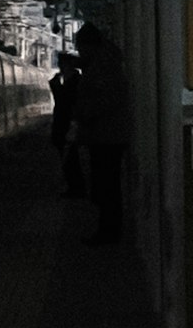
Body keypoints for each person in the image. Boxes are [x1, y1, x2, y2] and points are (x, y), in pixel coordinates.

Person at [74, 25, 134, 244]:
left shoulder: (104, 67)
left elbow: (105, 100)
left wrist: (84, 112)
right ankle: (107, 230)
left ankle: (108, 232)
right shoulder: (107, 62)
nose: (80, 53)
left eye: (81, 48)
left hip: (106, 135)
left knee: (107, 186)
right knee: (106, 185)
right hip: (108, 135)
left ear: (89, 46)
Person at [47, 48, 83, 192]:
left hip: (67, 125)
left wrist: (55, 88)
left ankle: (75, 187)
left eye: (62, 65)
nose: (61, 68)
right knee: (69, 156)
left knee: (70, 157)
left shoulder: (73, 82)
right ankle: (74, 186)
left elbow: (63, 102)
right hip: (66, 124)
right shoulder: (73, 81)